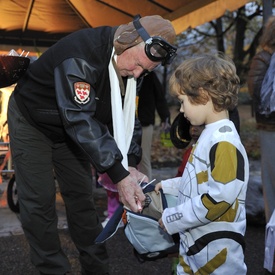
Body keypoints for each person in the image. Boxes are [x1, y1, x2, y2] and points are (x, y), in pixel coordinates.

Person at [7, 14, 177, 275]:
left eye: (146, 71)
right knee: (39, 203)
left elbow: (125, 117)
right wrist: (119, 175)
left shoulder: (131, 66)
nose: (137, 74)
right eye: (138, 66)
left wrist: (130, 164)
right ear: (127, 41)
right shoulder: (83, 54)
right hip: (33, 120)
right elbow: (79, 117)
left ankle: (97, 269)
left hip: (71, 128)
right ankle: (53, 269)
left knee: (81, 198)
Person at [155, 53, 249, 274]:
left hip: (216, 256)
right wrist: (169, 186)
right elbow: (200, 179)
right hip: (199, 246)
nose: (181, 110)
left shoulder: (224, 142)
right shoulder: (211, 136)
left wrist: (173, 218)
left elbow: (218, 199)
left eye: (182, 101)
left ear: (204, 95)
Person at [247, 16, 275, 224]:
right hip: (269, 126)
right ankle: (272, 222)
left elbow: (254, 89)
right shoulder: (263, 58)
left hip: (268, 124)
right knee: (271, 177)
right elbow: (255, 91)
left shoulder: (261, 58)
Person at [137, 71, 171, 180]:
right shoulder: (124, 72)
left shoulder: (149, 74)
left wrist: (165, 117)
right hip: (126, 122)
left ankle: (146, 189)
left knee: (143, 157)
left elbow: (159, 96)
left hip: (144, 121)